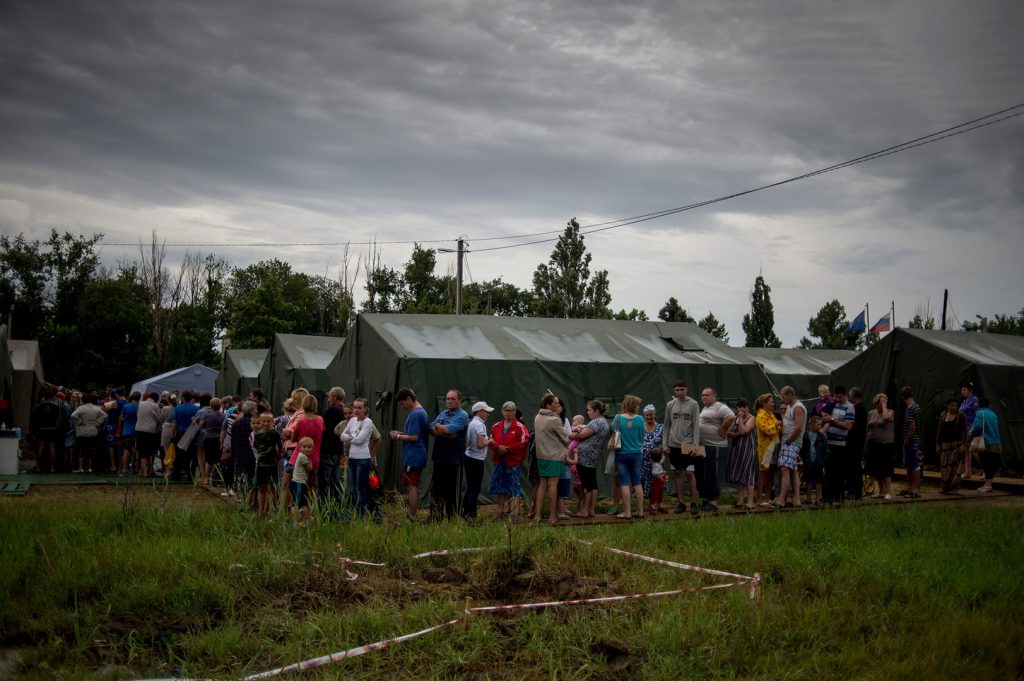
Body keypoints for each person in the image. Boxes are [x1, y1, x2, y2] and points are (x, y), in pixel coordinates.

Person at [662, 380, 701, 515]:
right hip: (673, 445)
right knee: (677, 473)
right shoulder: (670, 405)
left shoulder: (693, 404)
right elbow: (666, 426)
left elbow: (696, 426)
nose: (679, 392)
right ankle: (681, 503)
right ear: (674, 390)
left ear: (686, 389)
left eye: (682, 389)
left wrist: (695, 446)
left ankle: (694, 503)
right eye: (677, 390)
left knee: (690, 473)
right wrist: (665, 445)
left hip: (688, 444)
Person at [391, 388, 430, 521]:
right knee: (410, 484)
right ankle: (411, 514)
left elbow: (414, 437)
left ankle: (412, 516)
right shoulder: (421, 412)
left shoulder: (415, 414)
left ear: (409, 399)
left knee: (412, 486)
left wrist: (397, 437)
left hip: (414, 455)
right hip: (416, 454)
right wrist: (401, 433)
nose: (402, 407)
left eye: (402, 403)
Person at [429, 390, 469, 520]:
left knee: (452, 492)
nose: (449, 401)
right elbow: (432, 429)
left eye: (452, 399)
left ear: (459, 401)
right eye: (447, 399)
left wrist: (441, 426)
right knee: (437, 489)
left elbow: (448, 430)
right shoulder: (443, 413)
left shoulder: (462, 415)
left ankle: (453, 518)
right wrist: (446, 432)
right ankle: (436, 517)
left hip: (454, 460)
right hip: (439, 458)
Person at [487, 400, 529, 522]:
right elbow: (491, 441)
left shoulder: (521, 427)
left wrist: (507, 449)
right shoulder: (496, 426)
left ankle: (516, 513)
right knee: (500, 487)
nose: (507, 413)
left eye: (510, 411)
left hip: (513, 462)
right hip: (499, 461)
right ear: (502, 412)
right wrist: (497, 448)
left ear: (514, 412)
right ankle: (499, 511)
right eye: (505, 410)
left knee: (514, 487)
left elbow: (523, 442)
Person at [568, 400, 610, 518]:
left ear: (597, 411)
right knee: (592, 484)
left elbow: (582, 435)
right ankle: (591, 510)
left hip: (585, 457)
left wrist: (569, 435)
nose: (587, 412)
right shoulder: (604, 422)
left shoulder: (596, 422)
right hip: (593, 457)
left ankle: (584, 510)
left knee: (586, 485)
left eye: (589, 410)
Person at [532, 393, 568, 524]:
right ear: (548, 405)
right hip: (554, 456)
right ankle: (552, 516)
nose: (558, 406)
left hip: (541, 455)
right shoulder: (555, 420)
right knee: (553, 485)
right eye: (556, 403)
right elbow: (565, 438)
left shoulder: (537, 417)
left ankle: (537, 515)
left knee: (542, 486)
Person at [698, 387, 734, 513]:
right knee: (707, 474)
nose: (704, 397)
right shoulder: (705, 409)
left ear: (714, 396)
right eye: (703, 395)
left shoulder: (720, 406)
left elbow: (731, 417)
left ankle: (714, 501)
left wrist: (722, 429)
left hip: (717, 446)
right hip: (705, 446)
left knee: (716, 473)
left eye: (707, 395)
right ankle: (708, 499)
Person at [339, 397, 376, 518]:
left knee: (360, 488)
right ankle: (355, 514)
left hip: (363, 459)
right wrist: (353, 436)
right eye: (355, 407)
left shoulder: (368, 422)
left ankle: (361, 515)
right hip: (352, 459)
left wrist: (350, 436)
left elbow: (360, 441)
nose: (356, 410)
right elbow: (342, 436)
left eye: (359, 408)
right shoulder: (352, 421)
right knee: (353, 488)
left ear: (365, 409)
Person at [613, 394, 646, 519]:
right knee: (637, 483)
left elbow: (614, 433)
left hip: (621, 454)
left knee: (625, 483)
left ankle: (627, 512)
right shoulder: (640, 419)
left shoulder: (617, 418)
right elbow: (642, 436)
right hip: (637, 454)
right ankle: (641, 511)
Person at [284, 395, 324, 497]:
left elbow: (292, 439)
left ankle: (288, 509)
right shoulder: (320, 420)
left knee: (289, 485)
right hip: (314, 458)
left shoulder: (301, 421)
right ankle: (311, 510)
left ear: (304, 405)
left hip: (298, 456)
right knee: (311, 487)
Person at [821, 386, 855, 504]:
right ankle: (828, 497)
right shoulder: (833, 404)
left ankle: (839, 498)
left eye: (840, 397)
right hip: (828, 443)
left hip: (840, 445)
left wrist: (832, 420)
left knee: (838, 473)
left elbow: (848, 426)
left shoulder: (849, 407)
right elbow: (823, 414)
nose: (837, 399)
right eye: (835, 396)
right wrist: (825, 418)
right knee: (828, 472)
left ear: (845, 395)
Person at [775, 386, 806, 508]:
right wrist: (782, 423)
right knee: (793, 470)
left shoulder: (798, 407)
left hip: (792, 442)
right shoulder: (789, 407)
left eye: (783, 396)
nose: (782, 398)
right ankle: (796, 499)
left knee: (785, 469)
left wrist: (788, 441)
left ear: (789, 395)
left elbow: (798, 427)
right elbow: (791, 423)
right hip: (788, 441)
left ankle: (781, 499)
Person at [463, 401, 494, 520]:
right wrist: (490, 441)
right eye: (486, 412)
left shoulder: (472, 423)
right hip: (476, 460)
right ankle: (471, 515)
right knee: (474, 488)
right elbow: (481, 444)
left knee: (470, 487)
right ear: (479, 412)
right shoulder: (480, 425)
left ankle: (465, 512)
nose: (487, 414)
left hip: (469, 457)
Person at [725, 399, 757, 509]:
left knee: (748, 475)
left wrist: (740, 419)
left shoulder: (751, 418)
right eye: (739, 407)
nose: (742, 409)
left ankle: (750, 501)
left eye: (744, 407)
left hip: (748, 449)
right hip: (736, 450)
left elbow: (744, 432)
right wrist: (735, 434)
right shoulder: (735, 419)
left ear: (747, 408)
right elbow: (728, 433)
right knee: (738, 475)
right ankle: (740, 500)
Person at [319, 387, 346, 514]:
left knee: (325, 481)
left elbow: (323, 428)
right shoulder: (343, 410)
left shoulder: (332, 410)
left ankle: (325, 510)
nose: (328, 399)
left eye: (329, 396)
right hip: (338, 450)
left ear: (335, 397)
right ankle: (337, 509)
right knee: (336, 481)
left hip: (328, 449)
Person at [865, 394, 896, 500]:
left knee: (886, 468)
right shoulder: (871, 413)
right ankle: (881, 491)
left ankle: (888, 492)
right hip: (874, 444)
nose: (880, 404)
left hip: (886, 444)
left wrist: (884, 404)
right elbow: (868, 427)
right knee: (877, 469)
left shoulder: (890, 412)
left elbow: (887, 418)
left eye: (883, 402)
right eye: (879, 402)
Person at [936, 397, 968, 495]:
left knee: (955, 465)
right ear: (947, 406)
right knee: (944, 465)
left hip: (956, 443)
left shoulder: (961, 416)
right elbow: (939, 431)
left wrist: (963, 444)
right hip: (945, 444)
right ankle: (945, 486)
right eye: (952, 405)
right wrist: (938, 444)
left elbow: (964, 431)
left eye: (955, 405)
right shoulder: (943, 415)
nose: (954, 407)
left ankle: (953, 487)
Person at [754, 394, 781, 506]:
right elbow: (766, 430)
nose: (773, 403)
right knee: (763, 473)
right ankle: (760, 499)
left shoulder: (771, 415)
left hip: (774, 446)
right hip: (765, 449)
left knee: (770, 473)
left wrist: (777, 426)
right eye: (770, 401)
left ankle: (768, 498)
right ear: (764, 403)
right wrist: (776, 425)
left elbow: (779, 428)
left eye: (773, 401)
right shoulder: (761, 416)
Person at [253, 412, 283, 514]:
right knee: (261, 487)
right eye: (264, 421)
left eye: (268, 421)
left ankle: (270, 509)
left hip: (272, 464)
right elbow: (256, 447)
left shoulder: (274, 434)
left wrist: (278, 456)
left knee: (272, 487)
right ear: (260, 422)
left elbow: (280, 446)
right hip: (261, 464)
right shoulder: (257, 435)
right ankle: (261, 510)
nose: (266, 423)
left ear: (272, 422)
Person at [32, 386, 65, 473]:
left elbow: (35, 418)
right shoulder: (57, 405)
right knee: (52, 448)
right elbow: (59, 417)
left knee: (40, 448)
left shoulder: (38, 405)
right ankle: (52, 467)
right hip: (53, 428)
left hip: (41, 428)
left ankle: (39, 467)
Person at [71, 393, 106, 474]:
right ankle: (89, 468)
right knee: (91, 450)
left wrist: (79, 422)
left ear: (82, 400)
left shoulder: (81, 408)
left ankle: (81, 468)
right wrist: (97, 423)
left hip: (82, 432)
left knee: (81, 450)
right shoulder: (96, 408)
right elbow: (104, 415)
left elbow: (73, 416)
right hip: (93, 431)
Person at [971, 398, 1001, 494]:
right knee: (992, 464)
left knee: (986, 464)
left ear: (979, 405)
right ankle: (988, 484)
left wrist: (970, 432)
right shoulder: (993, 414)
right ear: (989, 405)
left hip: (986, 443)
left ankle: (988, 486)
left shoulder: (980, 413)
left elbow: (977, 427)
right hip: (996, 442)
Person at [899, 387, 922, 498]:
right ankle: (910, 487)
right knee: (909, 465)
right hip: (914, 440)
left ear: (903, 397)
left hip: (912, 441)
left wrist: (908, 440)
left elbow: (912, 426)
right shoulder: (916, 407)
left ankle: (915, 489)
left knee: (915, 466)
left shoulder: (910, 409)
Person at [171, 390, 199, 481]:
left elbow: (174, 422)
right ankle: (191, 475)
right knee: (191, 454)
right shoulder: (196, 408)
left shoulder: (178, 408)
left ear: (182, 397)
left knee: (179, 454)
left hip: (180, 432)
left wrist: (172, 433)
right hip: (192, 433)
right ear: (192, 398)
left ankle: (176, 475)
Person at [846, 387, 868, 500]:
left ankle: (855, 490)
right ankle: (852, 490)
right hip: (855, 442)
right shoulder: (859, 409)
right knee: (852, 466)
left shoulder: (859, 410)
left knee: (854, 466)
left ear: (853, 397)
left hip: (855, 442)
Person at [640, 404, 664, 509]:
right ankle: (650, 504)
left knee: (658, 482)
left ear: (654, 414)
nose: (649, 417)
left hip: (656, 460)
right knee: (644, 482)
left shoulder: (661, 427)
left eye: (651, 415)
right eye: (647, 415)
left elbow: (664, 444)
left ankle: (659, 503)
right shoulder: (641, 427)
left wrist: (662, 459)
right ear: (644, 416)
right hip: (643, 462)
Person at [198, 396, 225, 485]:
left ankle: (205, 478)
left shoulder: (207, 415)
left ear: (211, 405)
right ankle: (214, 477)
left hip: (208, 438)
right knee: (217, 458)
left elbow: (201, 426)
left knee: (208, 459)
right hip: (218, 438)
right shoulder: (223, 416)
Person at [135, 392, 161, 478]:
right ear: (156, 399)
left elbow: (138, 415)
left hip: (139, 429)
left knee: (142, 451)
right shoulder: (155, 406)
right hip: (150, 430)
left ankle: (144, 472)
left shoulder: (140, 404)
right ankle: (149, 471)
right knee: (150, 451)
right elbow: (159, 419)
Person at [805, 416, 828, 506]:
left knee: (819, 480)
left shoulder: (821, 436)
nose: (820, 426)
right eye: (818, 424)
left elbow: (826, 449)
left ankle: (818, 499)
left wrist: (823, 459)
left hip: (818, 461)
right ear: (811, 424)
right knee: (809, 480)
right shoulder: (805, 436)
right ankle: (808, 498)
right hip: (808, 461)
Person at [291, 437, 314, 526]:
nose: (306, 449)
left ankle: (304, 521)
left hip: (300, 483)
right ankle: (297, 522)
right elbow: (310, 468)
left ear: (312, 448)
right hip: (298, 483)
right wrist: (311, 462)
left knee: (303, 502)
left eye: (309, 447)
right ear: (300, 447)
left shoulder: (303, 456)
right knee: (297, 503)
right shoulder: (302, 456)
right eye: (304, 446)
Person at [958, 383, 980, 478]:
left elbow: (978, 414)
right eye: (962, 390)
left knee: (975, 450)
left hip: (972, 428)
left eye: (964, 389)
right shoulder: (964, 401)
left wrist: (973, 428)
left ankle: (987, 470)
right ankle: (968, 472)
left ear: (970, 390)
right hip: (964, 429)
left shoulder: (975, 400)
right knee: (967, 450)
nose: (962, 391)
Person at [118, 391, 140, 475]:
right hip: (136, 430)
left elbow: (121, 418)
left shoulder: (125, 406)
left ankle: (124, 468)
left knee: (126, 450)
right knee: (136, 450)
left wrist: (124, 419)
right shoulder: (139, 407)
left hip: (126, 431)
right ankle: (136, 468)